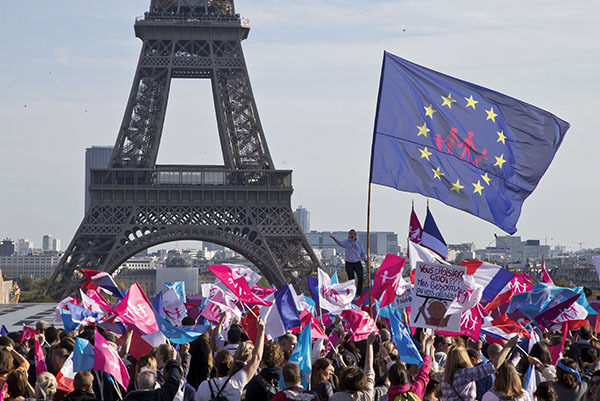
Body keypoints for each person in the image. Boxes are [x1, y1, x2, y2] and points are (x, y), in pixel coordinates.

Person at [195, 317, 265, 401]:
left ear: (215, 365)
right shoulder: (237, 383)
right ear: (232, 365)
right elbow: (256, 358)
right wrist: (261, 331)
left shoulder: (204, 386)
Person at [441, 335, 519, 401]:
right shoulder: (464, 373)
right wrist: (508, 346)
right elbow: (493, 366)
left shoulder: (444, 376)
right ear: (463, 358)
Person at [330, 332, 376, 401]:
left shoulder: (336, 397)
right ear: (362, 381)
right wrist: (370, 344)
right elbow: (369, 369)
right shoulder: (366, 397)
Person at [330, 230, 367, 295]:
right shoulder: (346, 242)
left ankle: (358, 293)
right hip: (349, 263)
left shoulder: (359, 243)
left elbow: (362, 252)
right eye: (351, 234)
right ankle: (352, 292)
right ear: (349, 235)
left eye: (353, 234)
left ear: (355, 235)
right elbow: (340, 243)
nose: (352, 235)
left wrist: (365, 260)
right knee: (351, 279)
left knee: (361, 277)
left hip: (357, 262)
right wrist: (334, 238)